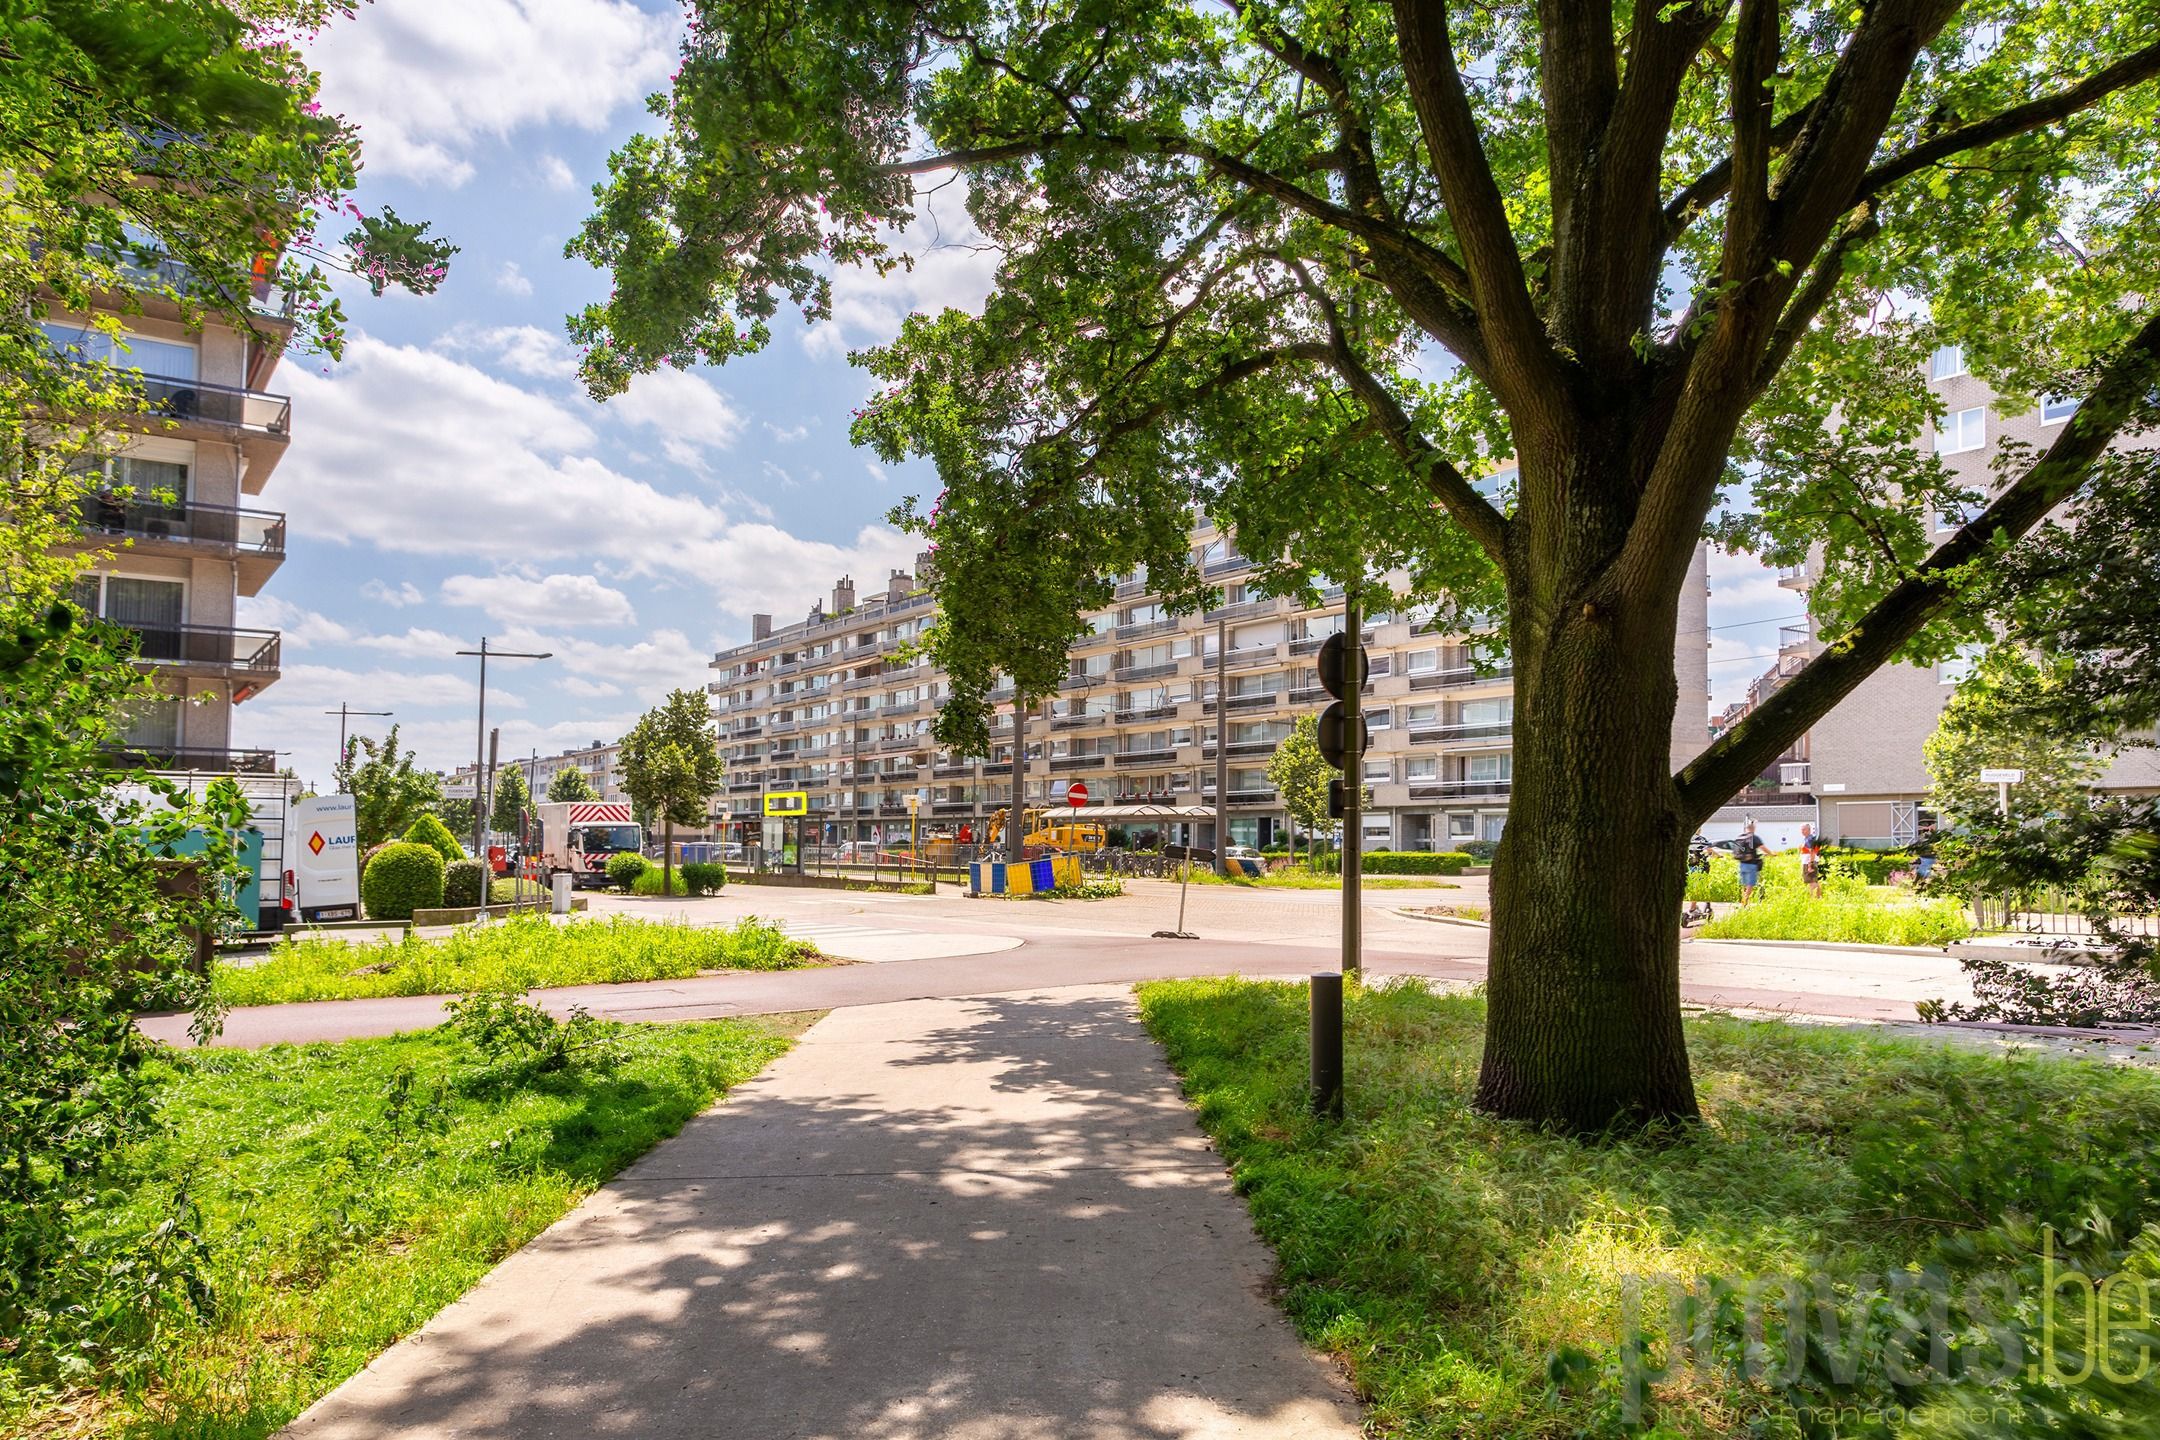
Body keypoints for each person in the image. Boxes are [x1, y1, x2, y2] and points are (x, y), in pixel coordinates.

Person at [1730, 822, 1770, 906]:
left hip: (1742, 864)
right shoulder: (1753, 837)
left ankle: (1743, 901)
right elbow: (1763, 848)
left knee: (1744, 884)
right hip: (1751, 864)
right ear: (1753, 829)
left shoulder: (1740, 837)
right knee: (1750, 885)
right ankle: (1744, 903)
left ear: (1746, 829)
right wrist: (1771, 853)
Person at [1798, 822, 1825, 899]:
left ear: (1809, 830)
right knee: (1814, 881)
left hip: (1809, 863)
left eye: (1804, 829)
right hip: (1809, 862)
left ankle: (1814, 900)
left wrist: (1811, 864)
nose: (1802, 831)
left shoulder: (1809, 839)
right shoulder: (1808, 838)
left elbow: (1812, 852)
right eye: (1801, 830)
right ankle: (1819, 898)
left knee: (1812, 882)